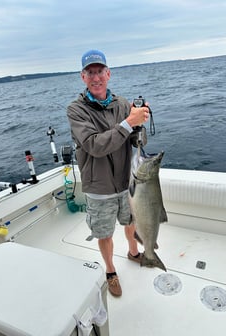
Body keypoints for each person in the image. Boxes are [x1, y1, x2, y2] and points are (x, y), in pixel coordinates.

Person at [67, 50, 150, 297]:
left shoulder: (123, 104)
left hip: (127, 181)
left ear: (108, 73)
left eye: (100, 71)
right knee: (105, 233)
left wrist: (140, 123)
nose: (96, 77)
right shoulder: (76, 110)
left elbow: (136, 139)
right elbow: (95, 145)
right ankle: (111, 271)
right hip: (99, 187)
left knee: (131, 221)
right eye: (90, 72)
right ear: (83, 77)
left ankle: (134, 252)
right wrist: (128, 123)